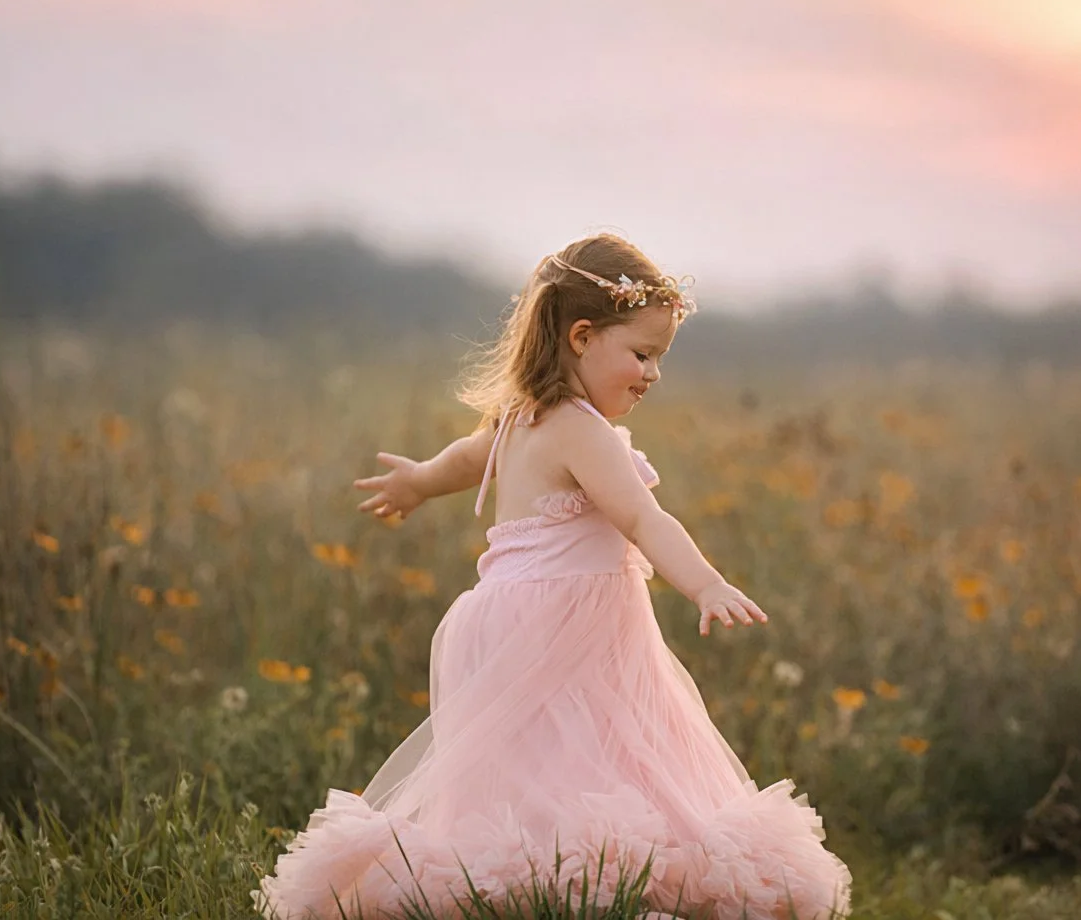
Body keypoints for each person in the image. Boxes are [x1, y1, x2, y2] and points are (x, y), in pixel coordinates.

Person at [253, 233, 852, 920]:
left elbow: (461, 459)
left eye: (659, 358)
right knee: (593, 761)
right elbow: (644, 519)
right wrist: (705, 583)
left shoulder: (520, 421)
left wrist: (419, 482)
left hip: (513, 620)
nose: (653, 373)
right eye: (642, 353)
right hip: (561, 628)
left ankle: (533, 883)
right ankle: (576, 883)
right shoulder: (581, 430)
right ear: (582, 336)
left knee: (533, 771)